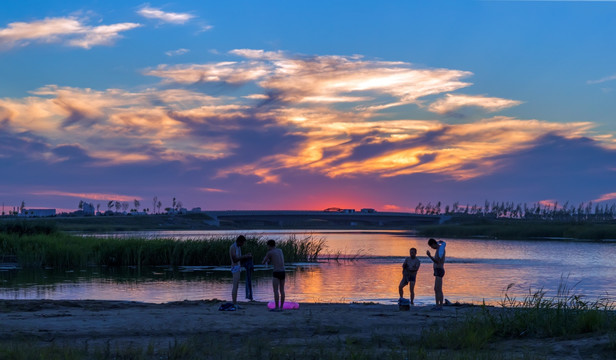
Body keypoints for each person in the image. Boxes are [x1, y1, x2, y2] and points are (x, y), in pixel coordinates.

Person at [262, 239, 286, 311]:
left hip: (276, 272)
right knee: (282, 290)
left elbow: (263, 262)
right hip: (283, 272)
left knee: (275, 290)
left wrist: (265, 259)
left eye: (267, 246)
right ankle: (281, 307)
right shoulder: (280, 250)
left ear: (269, 245)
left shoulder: (270, 252)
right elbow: (276, 259)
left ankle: (276, 307)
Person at [229, 235, 252, 307]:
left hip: (238, 267)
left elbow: (239, 259)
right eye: (242, 243)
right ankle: (234, 302)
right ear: (239, 241)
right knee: (235, 285)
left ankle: (235, 301)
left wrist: (246, 257)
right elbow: (235, 259)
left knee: (237, 285)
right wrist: (245, 256)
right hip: (234, 267)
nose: (243, 244)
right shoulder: (233, 247)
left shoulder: (238, 247)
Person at [426, 238, 446, 310]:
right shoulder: (438, 249)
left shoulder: (440, 250)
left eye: (431, 246)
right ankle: (437, 305)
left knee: (439, 289)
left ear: (433, 244)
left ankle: (440, 306)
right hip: (437, 270)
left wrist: (430, 256)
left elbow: (438, 262)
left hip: (440, 270)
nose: (432, 248)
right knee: (436, 289)